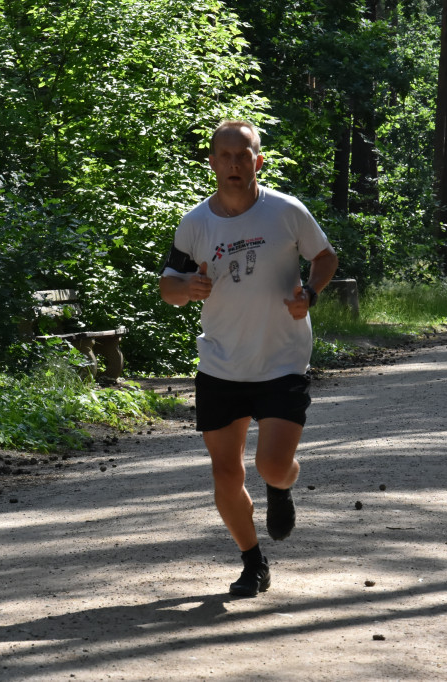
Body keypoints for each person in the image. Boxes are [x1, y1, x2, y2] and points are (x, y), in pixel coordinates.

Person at [158, 120, 338, 597]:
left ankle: (281, 489)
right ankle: (252, 561)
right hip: (220, 363)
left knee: (272, 466)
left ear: (258, 161)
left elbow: (325, 258)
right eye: (225, 156)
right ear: (212, 162)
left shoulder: (285, 211)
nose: (234, 165)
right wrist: (186, 288)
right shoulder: (196, 223)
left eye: (244, 156)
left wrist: (310, 293)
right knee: (225, 472)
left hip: (281, 359)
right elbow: (167, 286)